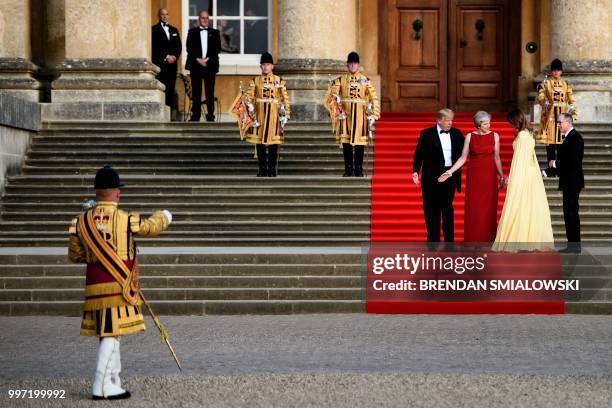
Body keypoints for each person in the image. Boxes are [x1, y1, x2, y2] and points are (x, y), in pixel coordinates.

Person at [68, 166, 172, 400]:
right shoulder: (126, 219)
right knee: (110, 335)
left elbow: (75, 255)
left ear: (97, 192)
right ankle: (101, 385)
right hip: (119, 286)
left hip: (94, 286)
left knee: (111, 334)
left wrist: (96, 253)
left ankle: (113, 380)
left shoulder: (81, 221)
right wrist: (164, 216)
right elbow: (150, 227)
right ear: (116, 193)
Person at [492, 110, 554, 252]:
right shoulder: (529, 133)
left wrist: (511, 178)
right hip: (532, 174)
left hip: (523, 174)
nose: (510, 125)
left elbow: (519, 160)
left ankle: (518, 240)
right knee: (530, 206)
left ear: (515, 121)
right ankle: (528, 240)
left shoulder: (521, 136)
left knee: (519, 205)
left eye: (511, 123)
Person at [438, 111, 504, 243]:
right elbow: (463, 158)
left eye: (489, 123)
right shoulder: (469, 137)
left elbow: (497, 158)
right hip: (474, 177)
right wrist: (450, 172)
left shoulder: (495, 136)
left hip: (489, 177)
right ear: (479, 125)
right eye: (485, 124)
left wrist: (501, 176)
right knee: (474, 209)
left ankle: (488, 240)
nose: (489, 125)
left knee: (489, 209)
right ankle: (473, 241)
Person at [412, 109, 465, 244]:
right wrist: (415, 171)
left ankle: (449, 242)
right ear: (439, 120)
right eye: (447, 120)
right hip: (430, 177)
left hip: (449, 175)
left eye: (452, 120)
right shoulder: (426, 134)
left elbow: (467, 150)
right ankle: (432, 241)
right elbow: (419, 154)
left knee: (447, 208)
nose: (450, 123)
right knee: (430, 210)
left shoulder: (457, 134)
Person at [325, 51, 380, 177]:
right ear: (347, 65)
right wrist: (336, 108)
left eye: (355, 63)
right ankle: (348, 168)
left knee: (360, 143)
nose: (353, 66)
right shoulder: (340, 80)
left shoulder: (365, 80)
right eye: (350, 63)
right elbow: (331, 98)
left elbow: (374, 98)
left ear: (358, 65)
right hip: (346, 115)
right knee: (346, 142)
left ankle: (359, 168)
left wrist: (374, 115)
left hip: (360, 116)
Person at [244, 52, 290, 177]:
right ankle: (262, 168)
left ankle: (272, 168)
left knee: (274, 142)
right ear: (261, 66)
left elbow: (284, 98)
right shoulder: (255, 81)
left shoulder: (279, 81)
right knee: (259, 143)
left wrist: (286, 114)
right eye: (263, 64)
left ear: (272, 66)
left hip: (274, 115)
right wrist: (249, 106)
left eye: (268, 64)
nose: (266, 67)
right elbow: (249, 97)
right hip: (259, 115)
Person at [537, 58, 578, 177]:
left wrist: (573, 112)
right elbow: (541, 96)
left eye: (558, 70)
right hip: (550, 115)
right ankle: (551, 169)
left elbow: (571, 99)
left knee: (562, 144)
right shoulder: (546, 83)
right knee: (550, 144)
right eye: (554, 70)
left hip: (563, 116)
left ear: (561, 72)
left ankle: (559, 168)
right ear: (551, 72)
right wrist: (543, 100)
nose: (556, 72)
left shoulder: (566, 85)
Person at [552, 113, 584, 253]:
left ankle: (574, 245)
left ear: (569, 122)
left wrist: (554, 165)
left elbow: (572, 161)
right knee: (569, 213)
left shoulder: (575, 138)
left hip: (572, 181)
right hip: (569, 181)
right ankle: (572, 244)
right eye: (558, 123)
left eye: (560, 122)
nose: (558, 125)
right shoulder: (569, 137)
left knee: (571, 213)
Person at [186, 10, 221, 122]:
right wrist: (198, 59)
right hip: (196, 65)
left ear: (208, 19)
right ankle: (195, 115)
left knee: (209, 91)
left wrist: (207, 59)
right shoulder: (192, 32)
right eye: (202, 18)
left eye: (206, 18)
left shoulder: (215, 32)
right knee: (196, 91)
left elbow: (217, 48)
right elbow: (189, 48)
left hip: (210, 65)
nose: (205, 20)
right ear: (198, 19)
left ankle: (210, 115)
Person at [151, 8, 182, 113]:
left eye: (166, 14)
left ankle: (169, 114)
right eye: (162, 14)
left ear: (168, 16)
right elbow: (155, 47)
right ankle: (161, 112)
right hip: (161, 65)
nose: (164, 16)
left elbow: (179, 46)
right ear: (159, 16)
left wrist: (174, 57)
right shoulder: (153, 30)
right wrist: (166, 56)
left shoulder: (174, 30)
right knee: (161, 88)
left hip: (172, 66)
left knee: (170, 89)